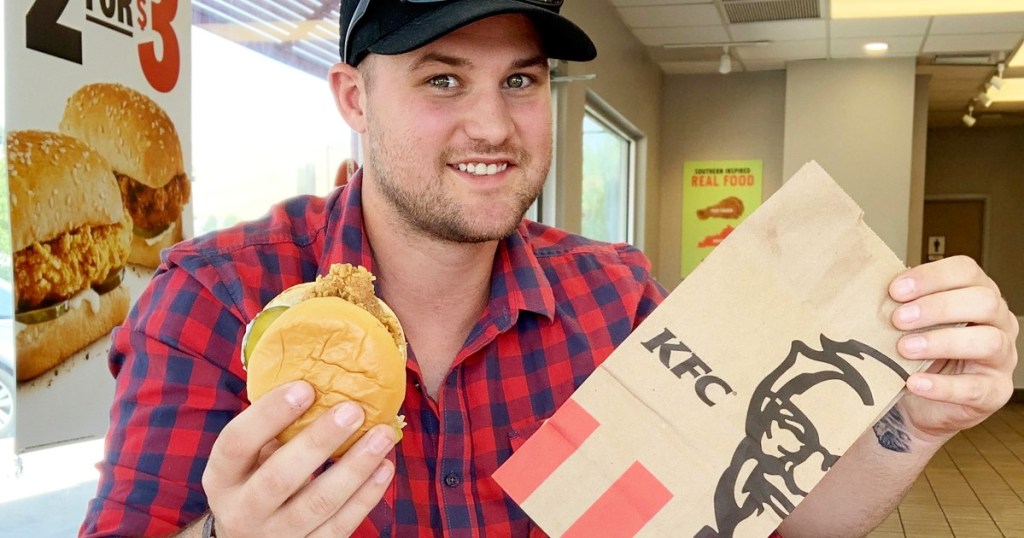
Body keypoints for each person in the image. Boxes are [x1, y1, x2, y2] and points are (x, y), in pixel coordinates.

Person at [80, 1, 1019, 537]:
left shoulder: (615, 297)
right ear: (354, 99)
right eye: (442, 78)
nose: (493, 125)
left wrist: (914, 420)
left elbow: (774, 518)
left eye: (519, 80)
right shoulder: (212, 301)